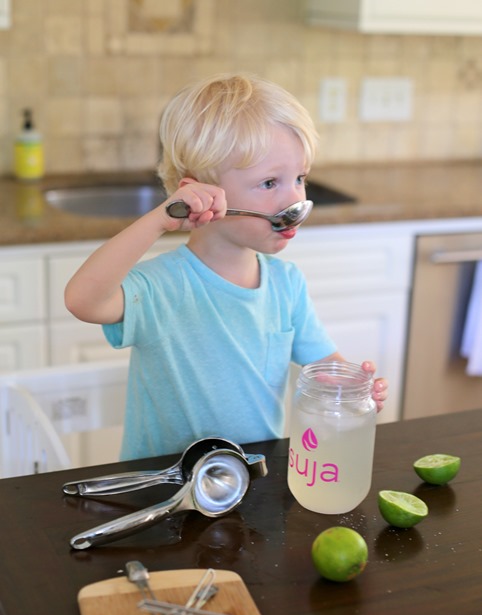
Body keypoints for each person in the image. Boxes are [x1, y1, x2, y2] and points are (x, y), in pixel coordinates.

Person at [65, 73, 388, 460]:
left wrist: (352, 386)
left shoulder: (286, 284)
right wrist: (159, 220)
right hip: (163, 487)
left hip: (251, 481)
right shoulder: (163, 286)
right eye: (270, 183)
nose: (294, 199)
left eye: (300, 178)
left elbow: (321, 362)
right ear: (199, 191)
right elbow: (82, 300)